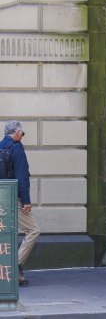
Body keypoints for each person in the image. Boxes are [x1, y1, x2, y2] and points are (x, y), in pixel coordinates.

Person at [1, 121, 39, 286]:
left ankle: (15, 272)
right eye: (22, 134)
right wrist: (26, 201)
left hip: (1, 196)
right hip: (13, 198)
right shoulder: (16, 147)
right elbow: (22, 176)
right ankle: (14, 266)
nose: (22, 137)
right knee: (33, 230)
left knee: (5, 235)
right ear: (17, 133)